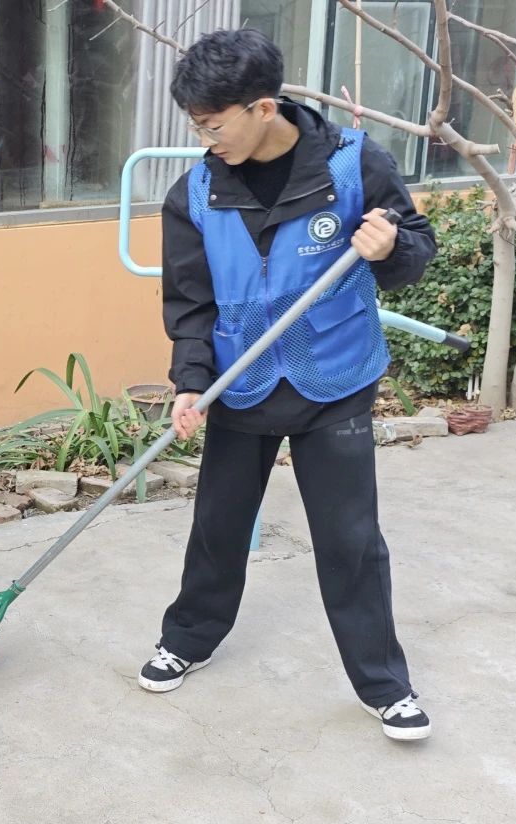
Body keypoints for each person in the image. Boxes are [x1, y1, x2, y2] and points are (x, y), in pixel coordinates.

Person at [137, 29, 438, 742]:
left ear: (264, 108)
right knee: (218, 525)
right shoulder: (197, 192)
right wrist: (190, 382)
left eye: (214, 125)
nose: (205, 140)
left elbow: (415, 248)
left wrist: (390, 247)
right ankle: (188, 638)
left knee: (349, 537)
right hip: (241, 383)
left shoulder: (354, 164)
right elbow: (190, 302)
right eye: (196, 126)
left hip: (332, 378)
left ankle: (384, 684)